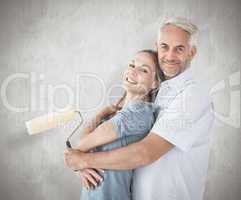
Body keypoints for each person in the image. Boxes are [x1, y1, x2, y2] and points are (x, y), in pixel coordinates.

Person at [64, 17, 214, 200]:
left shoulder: (192, 96)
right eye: (164, 47)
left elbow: (145, 152)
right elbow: (102, 146)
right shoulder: (157, 94)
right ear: (157, 46)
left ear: (192, 52)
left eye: (179, 49)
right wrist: (81, 164)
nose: (169, 56)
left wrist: (82, 160)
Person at [65, 49, 163, 200]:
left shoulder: (139, 112)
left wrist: (79, 161)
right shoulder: (118, 113)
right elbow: (81, 149)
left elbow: (81, 145)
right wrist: (81, 164)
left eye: (143, 70)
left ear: (155, 83)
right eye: (132, 65)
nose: (133, 71)